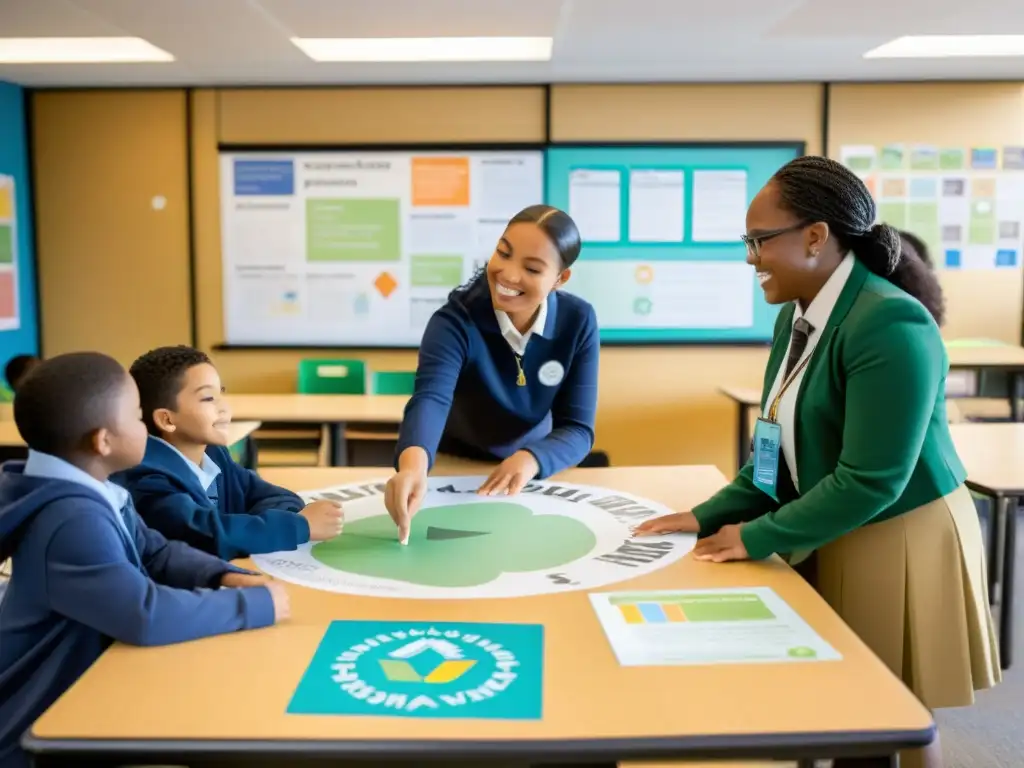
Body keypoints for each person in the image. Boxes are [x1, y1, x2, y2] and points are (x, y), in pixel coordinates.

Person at [634, 156, 998, 768]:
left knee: (892, 716)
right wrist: (704, 516)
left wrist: (756, 535)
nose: (751, 257)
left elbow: (873, 479)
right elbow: (774, 448)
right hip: (833, 518)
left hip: (897, 530)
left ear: (815, 236)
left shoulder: (891, 321)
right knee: (842, 703)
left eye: (759, 240)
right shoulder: (797, 312)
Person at [0, 352, 288, 768]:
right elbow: (144, 614)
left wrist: (221, 575)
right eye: (137, 418)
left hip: (84, 692)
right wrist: (256, 605)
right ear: (103, 441)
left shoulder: (91, 488)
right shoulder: (71, 520)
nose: (145, 429)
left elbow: (155, 550)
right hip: (37, 731)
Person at [385, 204, 599, 543]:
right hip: (453, 463)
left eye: (531, 267)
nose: (509, 275)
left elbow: (577, 428)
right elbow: (431, 399)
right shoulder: (455, 320)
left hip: (531, 470)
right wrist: (412, 467)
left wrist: (532, 460)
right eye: (503, 253)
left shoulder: (579, 320)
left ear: (560, 278)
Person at [115, 346, 343, 561]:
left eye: (221, 393)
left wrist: (250, 530)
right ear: (167, 419)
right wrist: (297, 526)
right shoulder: (146, 478)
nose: (224, 407)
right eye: (208, 398)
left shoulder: (214, 454)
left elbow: (279, 497)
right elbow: (206, 536)